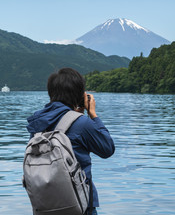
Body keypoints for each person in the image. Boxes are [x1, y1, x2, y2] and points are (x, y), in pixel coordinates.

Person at [26, 68, 115, 215]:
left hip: (45, 206)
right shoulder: (82, 123)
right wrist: (92, 115)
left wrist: (74, 115)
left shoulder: (37, 124)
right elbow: (107, 149)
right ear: (79, 94)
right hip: (79, 206)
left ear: (51, 93)